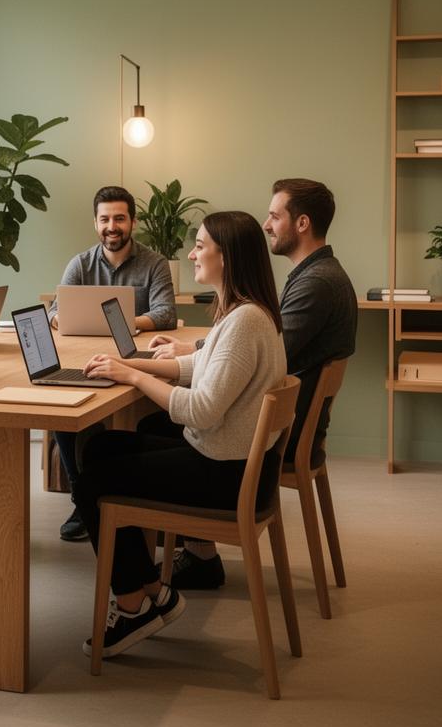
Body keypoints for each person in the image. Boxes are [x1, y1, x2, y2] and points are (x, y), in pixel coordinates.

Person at [73, 211, 287, 659]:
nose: (191, 252)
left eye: (201, 245)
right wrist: (131, 365)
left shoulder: (244, 323)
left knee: (92, 479)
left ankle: (133, 605)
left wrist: (131, 379)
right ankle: (153, 589)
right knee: (101, 447)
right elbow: (196, 367)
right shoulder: (246, 314)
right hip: (235, 463)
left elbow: (202, 409)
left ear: (225, 257)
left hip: (222, 474)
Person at [147, 178, 358, 590]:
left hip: (283, 434)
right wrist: (196, 349)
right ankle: (193, 550)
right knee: (159, 425)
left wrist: (184, 356)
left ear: (301, 223)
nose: (266, 224)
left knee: (158, 428)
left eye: (275, 216)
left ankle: (182, 545)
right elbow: (253, 348)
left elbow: (259, 351)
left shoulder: (317, 283)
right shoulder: (316, 274)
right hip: (287, 425)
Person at [48, 185, 177, 542]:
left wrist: (131, 322)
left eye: (119, 218)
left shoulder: (154, 263)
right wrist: (62, 319)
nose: (112, 226)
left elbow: (166, 312)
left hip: (133, 356)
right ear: (96, 223)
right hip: (85, 355)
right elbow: (56, 310)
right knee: (66, 407)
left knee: (136, 417)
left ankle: (129, 496)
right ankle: (82, 496)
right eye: (105, 219)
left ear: (132, 221)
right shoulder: (80, 263)